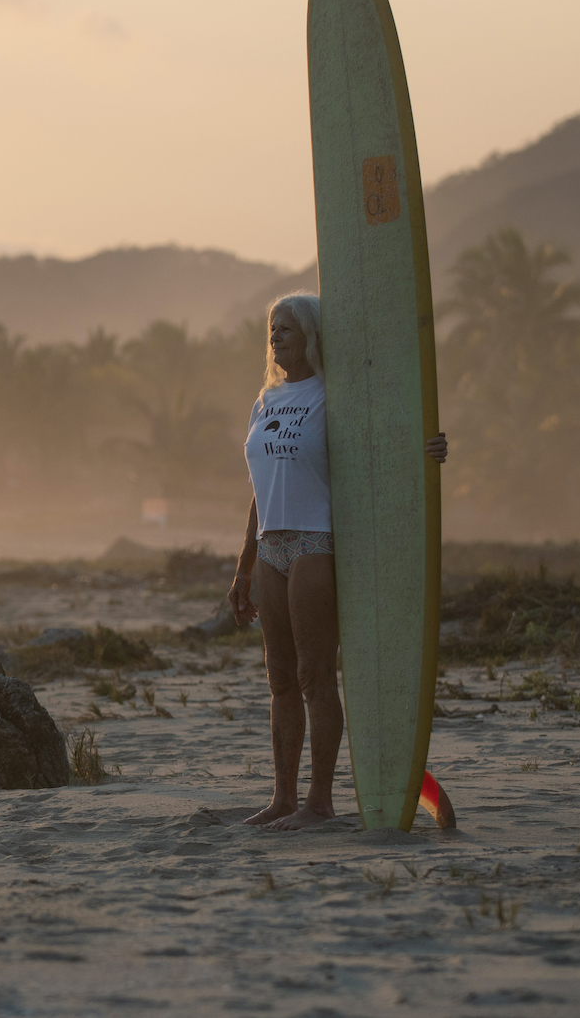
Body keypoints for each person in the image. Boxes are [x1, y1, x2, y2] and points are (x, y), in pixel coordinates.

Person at [226, 292, 448, 830]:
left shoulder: (334, 396)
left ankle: (319, 803)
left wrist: (429, 446)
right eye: (273, 328)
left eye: (288, 328)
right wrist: (244, 563)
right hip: (271, 545)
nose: (277, 335)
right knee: (279, 681)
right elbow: (261, 486)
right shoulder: (265, 401)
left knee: (314, 676)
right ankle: (283, 798)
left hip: (315, 543)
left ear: (312, 336)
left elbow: (383, 445)